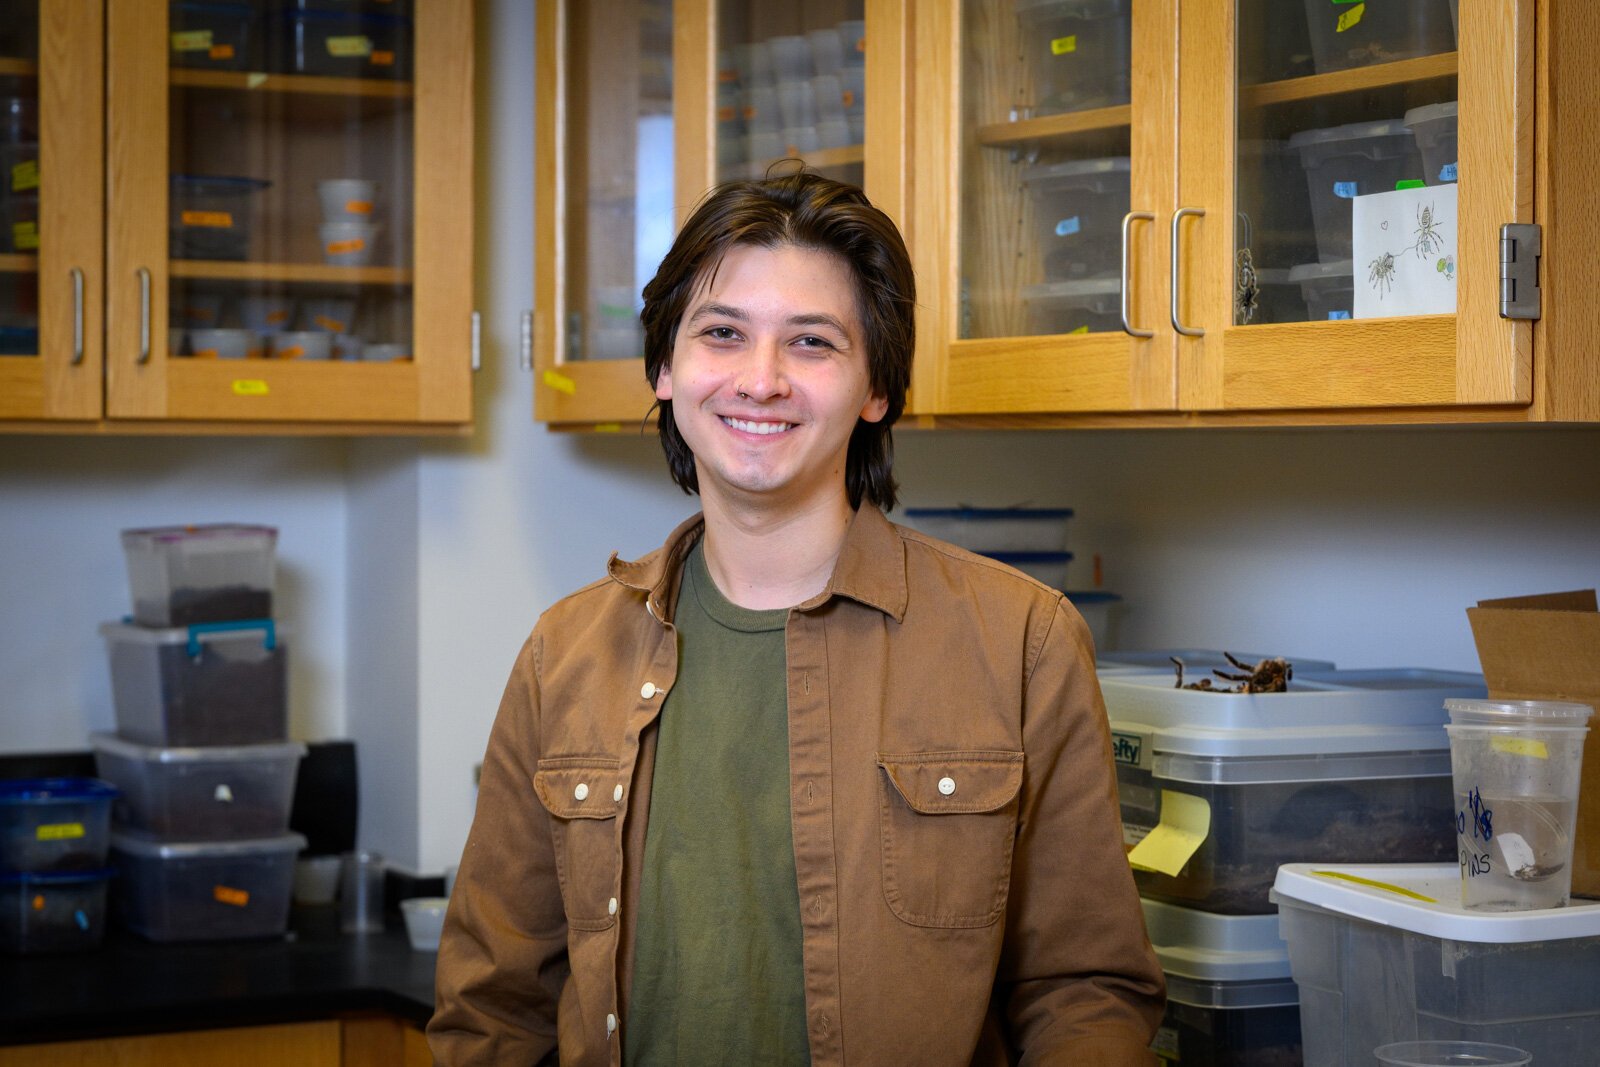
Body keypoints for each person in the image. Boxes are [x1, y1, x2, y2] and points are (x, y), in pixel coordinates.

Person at [428, 171, 1165, 1066]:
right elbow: (494, 1009)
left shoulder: (1022, 641)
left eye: (812, 342)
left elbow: (1085, 993)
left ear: (875, 388)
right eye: (722, 333)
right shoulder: (566, 654)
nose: (761, 380)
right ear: (666, 370)